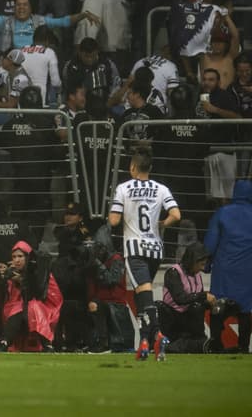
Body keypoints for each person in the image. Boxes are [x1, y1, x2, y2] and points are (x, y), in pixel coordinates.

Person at [108, 146, 182, 362]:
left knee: (144, 293)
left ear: (132, 167)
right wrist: (162, 224)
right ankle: (144, 342)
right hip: (155, 249)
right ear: (149, 168)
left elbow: (113, 220)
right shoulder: (161, 189)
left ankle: (157, 334)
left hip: (135, 248)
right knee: (141, 296)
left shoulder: (123, 188)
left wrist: (120, 214)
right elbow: (176, 214)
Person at [204, 179, 252, 353]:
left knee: (218, 306)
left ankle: (216, 344)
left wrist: (206, 264)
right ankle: (243, 346)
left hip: (224, 270)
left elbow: (211, 243)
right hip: (247, 271)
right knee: (245, 309)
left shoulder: (222, 213)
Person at [0, 240, 63, 351]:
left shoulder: (41, 272)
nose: (17, 260)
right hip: (19, 307)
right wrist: (6, 279)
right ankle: (4, 342)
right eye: (14, 257)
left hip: (45, 306)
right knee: (18, 310)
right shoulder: (12, 273)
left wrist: (23, 282)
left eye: (20, 256)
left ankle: (47, 345)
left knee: (32, 307)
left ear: (28, 257)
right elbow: (11, 299)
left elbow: (47, 296)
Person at [160, 243, 217, 353]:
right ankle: (197, 342)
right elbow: (180, 299)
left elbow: (198, 299)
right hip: (173, 317)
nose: (203, 268)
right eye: (201, 264)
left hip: (188, 317)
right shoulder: (173, 272)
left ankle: (200, 342)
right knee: (195, 306)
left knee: (200, 306)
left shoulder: (197, 275)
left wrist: (211, 303)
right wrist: (203, 295)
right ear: (192, 261)